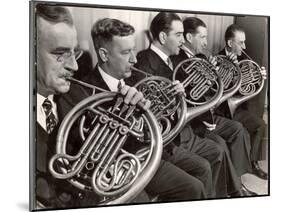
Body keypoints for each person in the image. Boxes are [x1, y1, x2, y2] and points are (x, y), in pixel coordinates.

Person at [57, 17, 206, 203]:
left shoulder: (137, 78)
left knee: (195, 187)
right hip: (112, 173)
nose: (134, 59)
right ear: (104, 55)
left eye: (133, 50)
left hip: (145, 158)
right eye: (126, 52)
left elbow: (156, 127)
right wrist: (118, 110)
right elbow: (79, 153)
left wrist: (174, 98)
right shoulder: (80, 92)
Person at [35, 5, 152, 209]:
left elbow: (115, 153)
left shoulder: (77, 97)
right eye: (60, 53)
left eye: (75, 53)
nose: (75, 66)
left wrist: (132, 115)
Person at [131, 12, 238, 198]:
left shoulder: (172, 59)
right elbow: (150, 113)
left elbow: (193, 94)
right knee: (205, 164)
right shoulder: (143, 63)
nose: (182, 41)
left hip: (183, 130)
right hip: (168, 140)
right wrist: (174, 97)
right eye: (178, 35)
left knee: (216, 151)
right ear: (163, 37)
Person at [170, 16, 257, 195]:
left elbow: (217, 90)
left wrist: (225, 73)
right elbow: (189, 97)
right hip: (196, 122)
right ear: (189, 38)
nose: (206, 42)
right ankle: (229, 192)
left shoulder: (202, 57)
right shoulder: (178, 61)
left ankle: (237, 185)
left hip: (209, 115)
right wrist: (208, 80)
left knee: (238, 129)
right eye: (202, 37)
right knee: (220, 146)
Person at [217, 24, 268, 180]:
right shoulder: (216, 59)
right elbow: (216, 92)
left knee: (260, 125)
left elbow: (248, 88)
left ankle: (253, 164)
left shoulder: (244, 60)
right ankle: (236, 175)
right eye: (241, 42)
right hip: (222, 112)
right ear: (230, 43)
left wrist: (260, 77)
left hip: (236, 109)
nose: (244, 46)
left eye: (244, 42)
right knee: (241, 131)